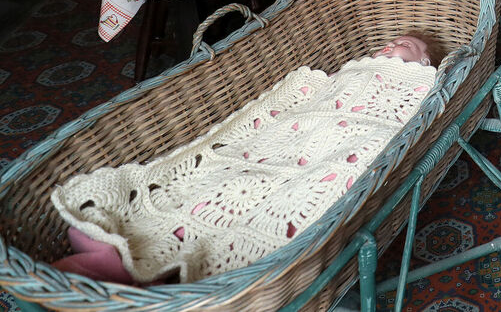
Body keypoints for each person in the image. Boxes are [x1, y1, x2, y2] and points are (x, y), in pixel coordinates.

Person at [51, 32, 447, 284]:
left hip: (350, 136)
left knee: (283, 201)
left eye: (405, 47)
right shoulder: (349, 72)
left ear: (424, 64)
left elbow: (405, 114)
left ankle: (143, 273)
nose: (391, 47)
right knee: (221, 175)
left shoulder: (419, 83)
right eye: (390, 41)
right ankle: (127, 237)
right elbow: (318, 96)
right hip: (292, 136)